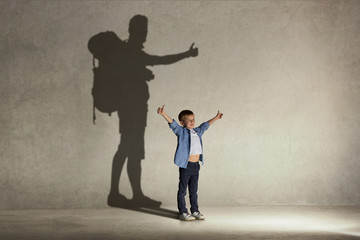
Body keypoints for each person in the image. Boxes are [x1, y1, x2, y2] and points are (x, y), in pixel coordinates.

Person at [108, 15, 199, 208]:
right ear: (135, 31)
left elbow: (159, 61)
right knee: (127, 148)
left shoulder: (130, 52)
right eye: (143, 31)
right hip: (130, 111)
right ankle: (119, 194)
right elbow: (159, 61)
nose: (145, 35)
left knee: (131, 150)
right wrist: (140, 74)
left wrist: (185, 55)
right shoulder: (129, 52)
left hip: (136, 110)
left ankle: (128, 194)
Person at [157, 105, 223, 220]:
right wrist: (163, 114)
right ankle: (183, 212)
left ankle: (195, 210)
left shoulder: (197, 131)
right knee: (182, 191)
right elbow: (173, 124)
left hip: (196, 166)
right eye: (189, 120)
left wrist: (216, 117)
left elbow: (206, 125)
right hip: (186, 165)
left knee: (194, 191)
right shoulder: (181, 132)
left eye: (193, 119)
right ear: (182, 122)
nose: (192, 122)